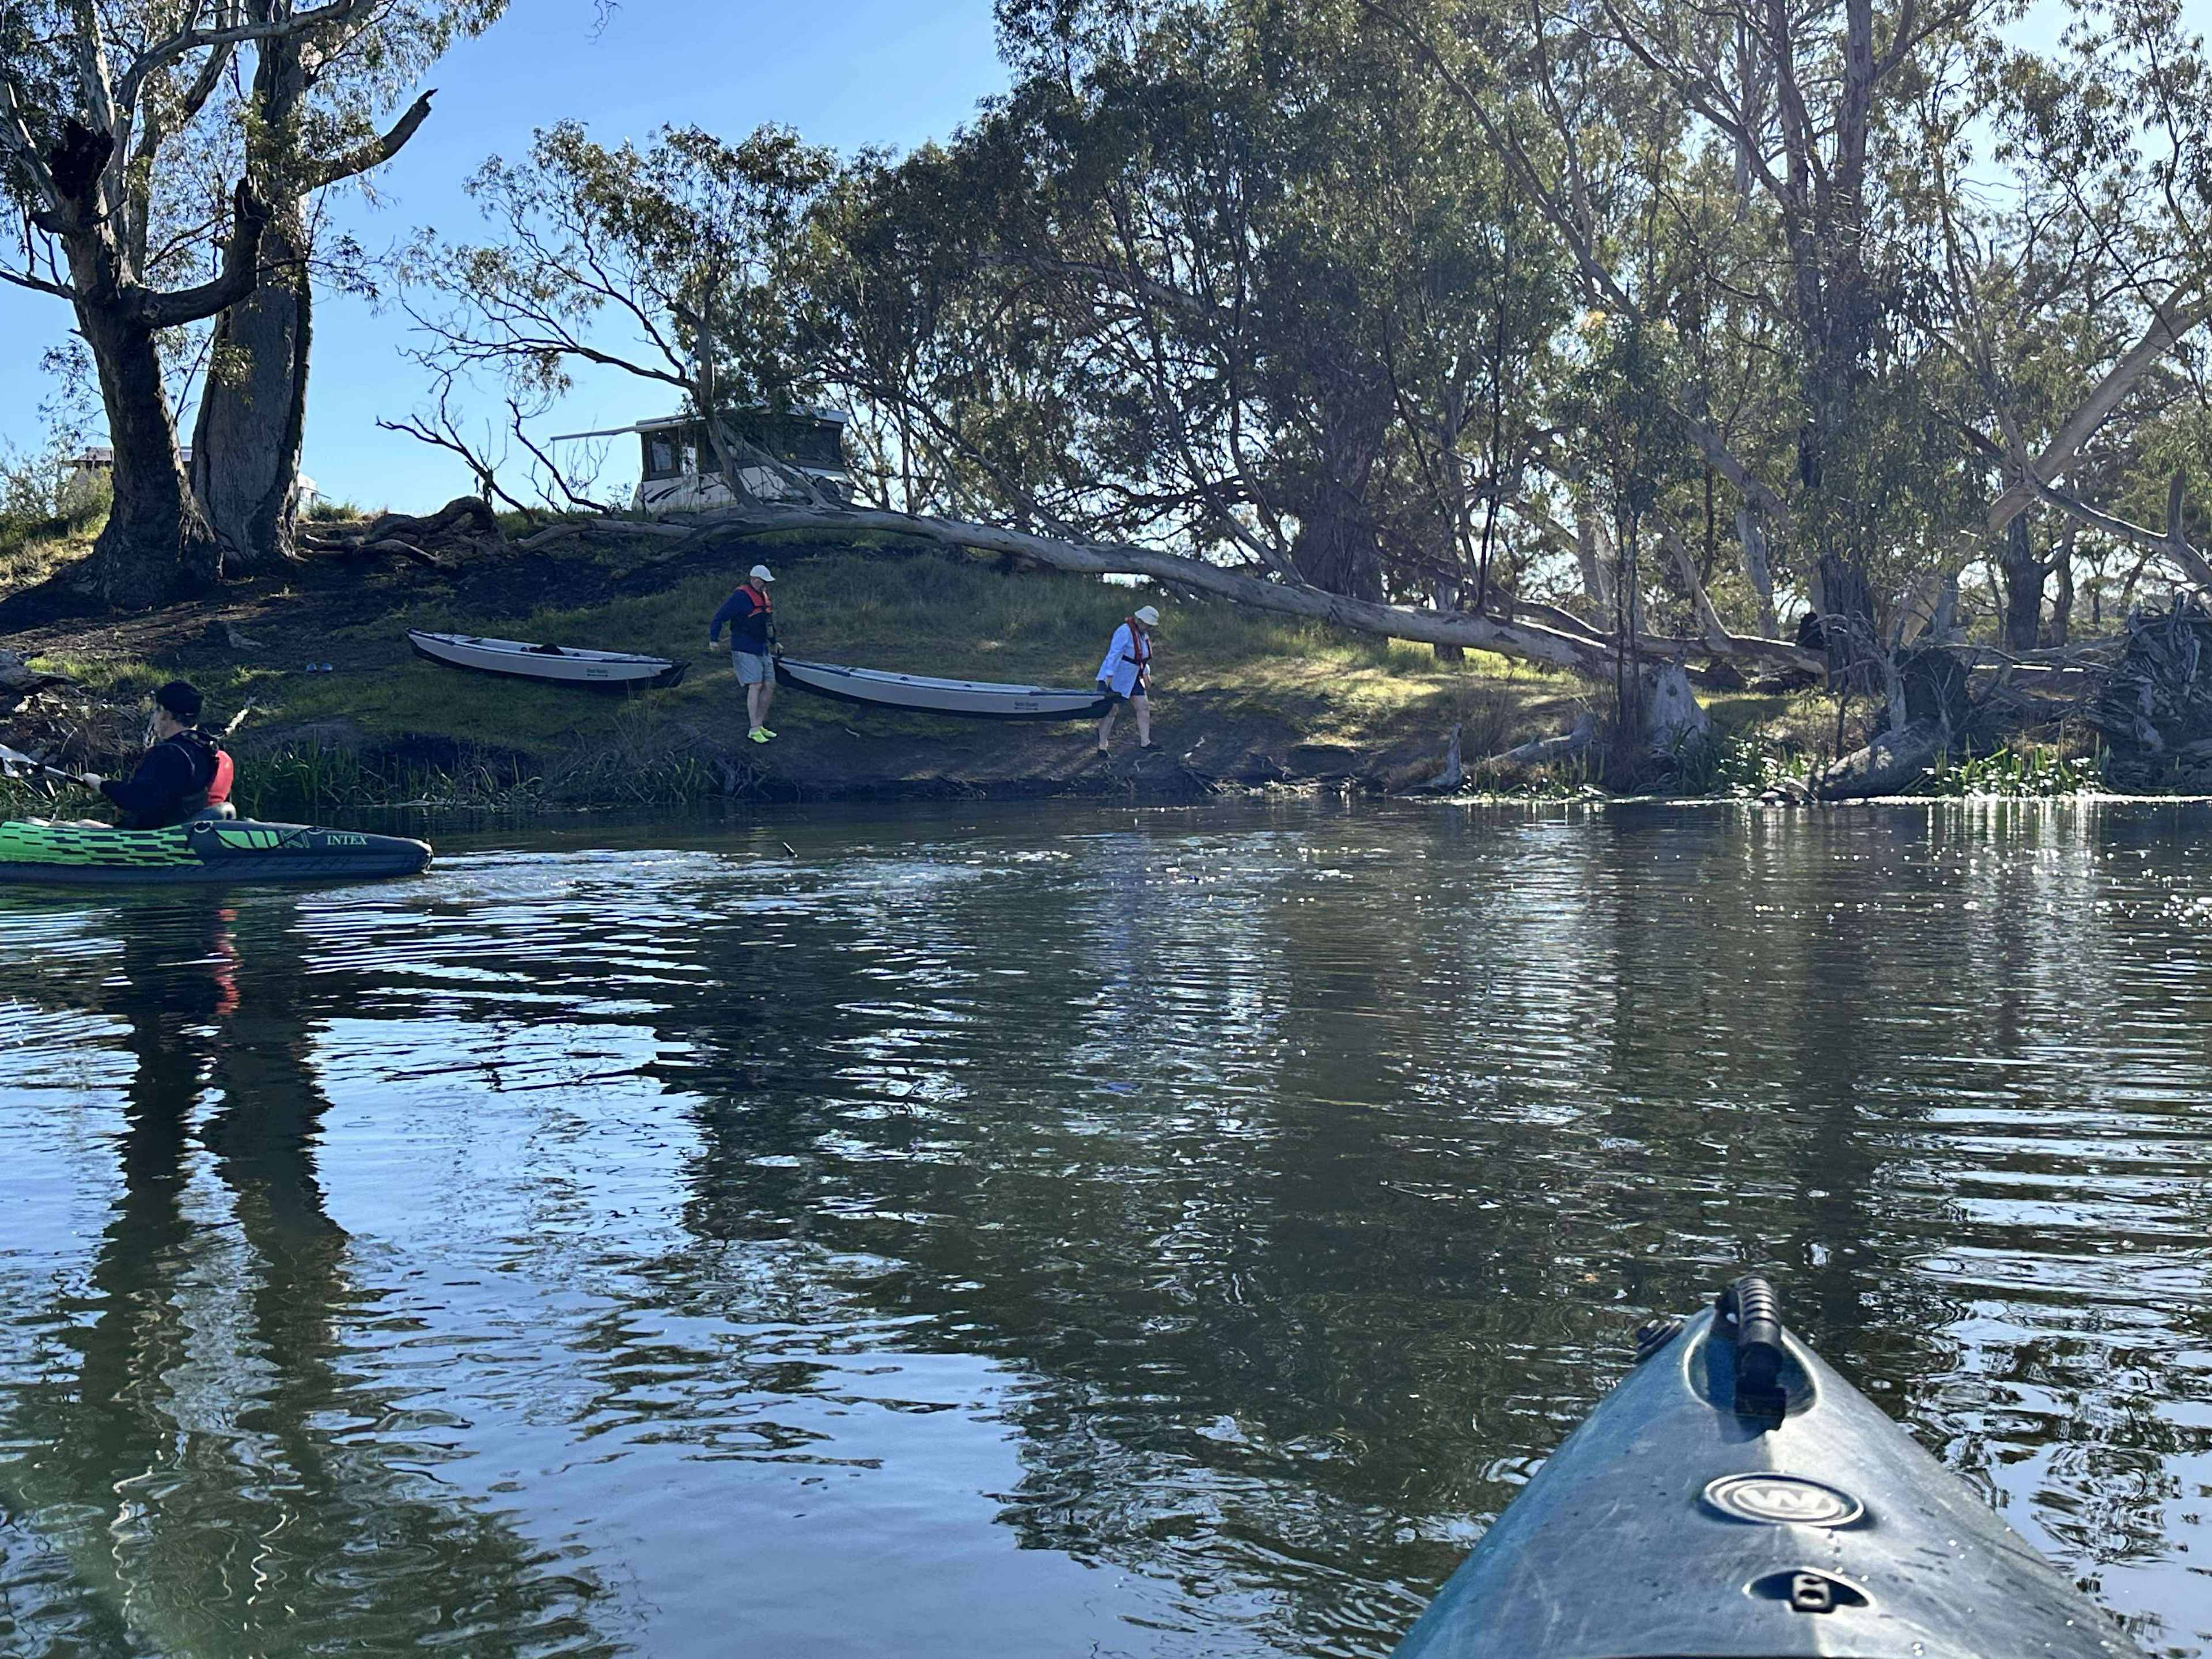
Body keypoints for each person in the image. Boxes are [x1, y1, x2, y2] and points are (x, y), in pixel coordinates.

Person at [84, 680, 233, 829]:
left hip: (151, 841)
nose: (154, 716)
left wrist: (101, 784)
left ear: (165, 714)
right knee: (84, 824)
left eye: (156, 711)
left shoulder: (168, 753)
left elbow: (137, 799)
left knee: (61, 826)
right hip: (191, 837)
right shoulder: (217, 755)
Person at [709, 563, 779, 744]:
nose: (766, 585)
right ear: (754, 580)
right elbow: (720, 617)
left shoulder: (763, 596)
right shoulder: (740, 597)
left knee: (769, 684)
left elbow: (768, 623)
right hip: (744, 647)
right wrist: (714, 639)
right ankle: (753, 729)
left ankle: (760, 724)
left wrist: (775, 642)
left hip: (762, 646)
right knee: (755, 684)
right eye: (763, 581)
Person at [1095, 604, 1160, 754]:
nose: (1147, 626)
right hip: (1117, 675)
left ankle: (1146, 742)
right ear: (1140, 619)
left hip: (1133, 675)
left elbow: (1142, 657)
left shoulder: (1144, 634)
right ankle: (1102, 745)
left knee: (1143, 706)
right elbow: (1114, 653)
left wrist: (1146, 673)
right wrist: (1109, 675)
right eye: (1146, 623)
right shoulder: (1124, 631)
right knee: (1111, 710)